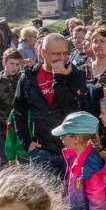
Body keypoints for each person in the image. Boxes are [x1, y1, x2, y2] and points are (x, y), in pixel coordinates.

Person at [12, 34, 89, 179]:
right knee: (42, 200)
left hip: (71, 151)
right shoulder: (29, 76)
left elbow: (74, 110)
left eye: (65, 53)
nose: (61, 58)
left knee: (72, 201)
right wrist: (26, 143)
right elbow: (18, 112)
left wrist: (59, 78)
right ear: (43, 53)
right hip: (41, 152)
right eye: (56, 54)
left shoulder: (75, 74)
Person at [0, 48, 22, 171]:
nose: (14, 67)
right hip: (5, 126)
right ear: (4, 63)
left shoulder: (22, 78)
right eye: (11, 64)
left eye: (17, 64)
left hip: (21, 123)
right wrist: (5, 117)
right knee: (6, 156)